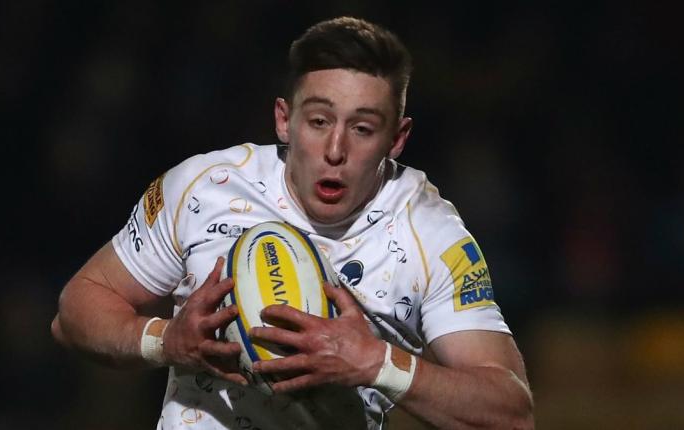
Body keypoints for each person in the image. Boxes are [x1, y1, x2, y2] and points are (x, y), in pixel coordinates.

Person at [52, 16, 534, 429]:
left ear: (397, 139)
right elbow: (73, 313)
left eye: (363, 128)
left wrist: (377, 362)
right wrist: (165, 340)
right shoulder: (204, 187)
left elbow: (511, 413)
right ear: (284, 119)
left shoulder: (431, 233)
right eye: (319, 121)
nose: (335, 150)